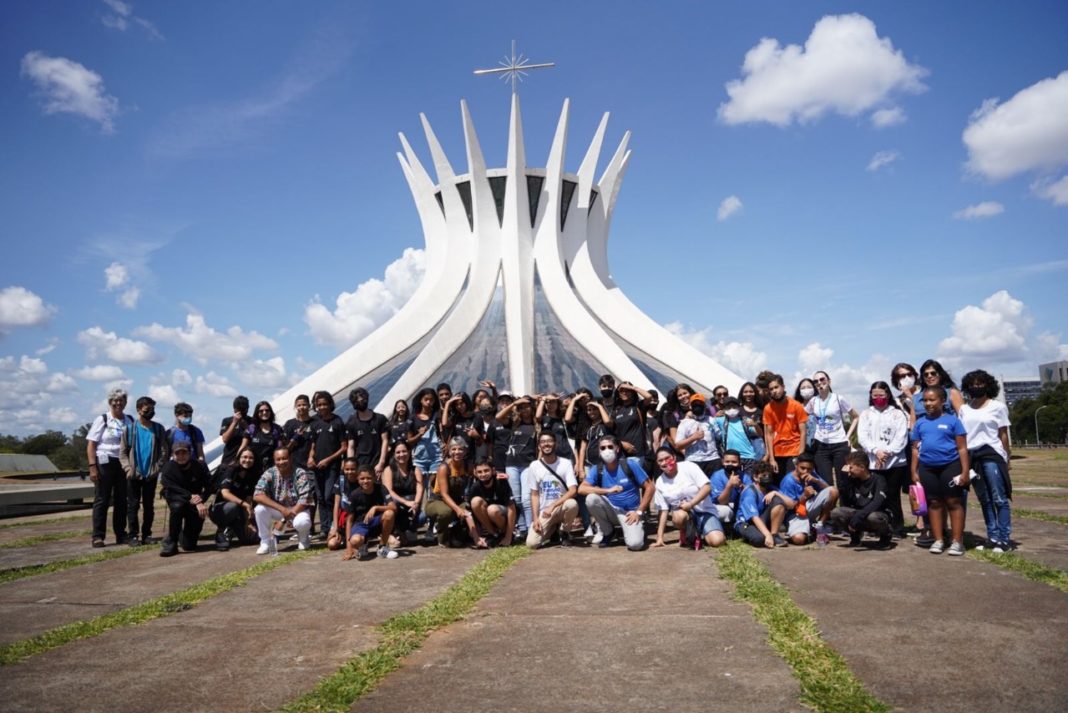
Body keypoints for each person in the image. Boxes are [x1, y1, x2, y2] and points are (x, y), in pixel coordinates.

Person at [911, 386, 970, 556]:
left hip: (950, 466)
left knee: (953, 502)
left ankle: (957, 541)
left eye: (932, 399)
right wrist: (914, 470)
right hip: (927, 468)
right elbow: (915, 449)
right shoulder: (920, 423)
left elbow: (962, 449)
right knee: (934, 503)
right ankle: (938, 540)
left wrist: (965, 471)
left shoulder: (953, 421)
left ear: (943, 401)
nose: (928, 403)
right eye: (925, 400)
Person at [959, 370, 1013, 552]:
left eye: (980, 383)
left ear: (988, 385)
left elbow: (1003, 434)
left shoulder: (997, 407)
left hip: (992, 455)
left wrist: (1007, 457)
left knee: (999, 497)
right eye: (973, 384)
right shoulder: (964, 409)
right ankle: (992, 536)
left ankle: (1004, 539)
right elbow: (962, 436)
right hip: (973, 456)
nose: (976, 387)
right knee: (985, 499)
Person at [579, 435, 653, 550]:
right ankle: (608, 532)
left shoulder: (629, 464)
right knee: (591, 498)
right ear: (599, 451)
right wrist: (607, 490)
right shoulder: (597, 469)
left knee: (635, 545)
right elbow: (581, 489)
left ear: (617, 449)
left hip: (630, 514)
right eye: (602, 448)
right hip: (611, 510)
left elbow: (650, 487)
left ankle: (634, 528)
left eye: (610, 447)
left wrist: (639, 512)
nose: (606, 450)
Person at [857, 381, 910, 537]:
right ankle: (876, 527)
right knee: (875, 497)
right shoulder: (866, 414)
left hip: (895, 463)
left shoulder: (897, 413)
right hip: (873, 462)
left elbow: (901, 438)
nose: (878, 398)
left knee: (893, 495)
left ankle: (897, 528)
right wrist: (876, 451)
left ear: (887, 395)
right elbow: (862, 437)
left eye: (881, 394)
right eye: (875, 395)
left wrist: (886, 453)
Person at [651, 447, 725, 549]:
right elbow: (663, 511)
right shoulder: (660, 482)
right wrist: (660, 538)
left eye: (667, 458)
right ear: (657, 463)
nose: (665, 462)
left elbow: (707, 487)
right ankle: (686, 530)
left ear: (674, 457)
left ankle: (701, 531)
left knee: (717, 542)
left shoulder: (689, 466)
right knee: (678, 517)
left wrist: (691, 504)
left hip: (704, 510)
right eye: (660, 460)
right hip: (684, 515)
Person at [119, 395, 169, 546]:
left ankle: (147, 534)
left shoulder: (158, 429)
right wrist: (128, 468)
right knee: (133, 505)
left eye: (153, 409)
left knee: (149, 506)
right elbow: (122, 452)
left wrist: (157, 468)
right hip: (134, 474)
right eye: (147, 409)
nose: (150, 412)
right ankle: (133, 535)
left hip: (151, 474)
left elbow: (164, 451)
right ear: (139, 410)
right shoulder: (129, 429)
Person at [87, 387, 133, 547]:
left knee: (122, 500)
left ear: (125, 403)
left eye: (121, 401)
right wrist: (92, 466)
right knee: (102, 499)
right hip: (105, 462)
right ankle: (98, 536)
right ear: (110, 403)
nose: (118, 403)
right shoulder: (103, 419)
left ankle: (121, 534)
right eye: (115, 401)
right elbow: (91, 444)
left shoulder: (129, 420)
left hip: (123, 462)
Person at [806, 371, 858, 497]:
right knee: (825, 483)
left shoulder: (838, 398)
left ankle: (845, 512)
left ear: (829, 381)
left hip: (839, 443)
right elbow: (801, 416)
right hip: (821, 445)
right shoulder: (813, 401)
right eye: (816, 381)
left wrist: (848, 436)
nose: (819, 383)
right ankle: (828, 514)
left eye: (822, 379)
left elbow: (855, 417)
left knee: (843, 481)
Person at [254, 447, 315, 553]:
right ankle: (265, 542)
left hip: (298, 509)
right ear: (274, 460)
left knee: (302, 522)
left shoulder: (300, 473)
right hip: (279, 509)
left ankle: (304, 538)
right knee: (259, 509)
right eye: (278, 459)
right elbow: (257, 495)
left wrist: (284, 520)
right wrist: (282, 510)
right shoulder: (270, 473)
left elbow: (305, 499)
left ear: (290, 458)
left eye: (284, 458)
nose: (281, 462)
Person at [525, 431, 579, 549]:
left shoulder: (565, 463)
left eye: (549, 441)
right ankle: (554, 530)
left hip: (561, 507)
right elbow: (534, 494)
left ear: (555, 444)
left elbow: (573, 490)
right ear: (539, 446)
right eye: (543, 442)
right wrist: (535, 518)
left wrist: (553, 505)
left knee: (572, 504)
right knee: (532, 544)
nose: (546, 444)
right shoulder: (534, 465)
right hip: (545, 512)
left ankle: (565, 532)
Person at [158, 441, 212, 557]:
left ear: (190, 453)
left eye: (184, 453)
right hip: (177, 498)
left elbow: (210, 486)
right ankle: (171, 543)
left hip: (195, 502)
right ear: (173, 455)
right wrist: (191, 496)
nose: (181, 456)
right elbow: (170, 486)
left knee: (189, 546)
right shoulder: (168, 467)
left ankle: (179, 534)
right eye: (178, 453)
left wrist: (201, 499)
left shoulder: (200, 465)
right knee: (178, 507)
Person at [829, 452, 893, 548]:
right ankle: (855, 537)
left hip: (876, 513)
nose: (848, 470)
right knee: (836, 513)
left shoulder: (879, 480)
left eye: (850, 467)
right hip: (859, 514)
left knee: (873, 517)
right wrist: (844, 479)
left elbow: (877, 502)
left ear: (862, 467)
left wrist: (858, 517)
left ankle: (885, 536)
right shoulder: (852, 479)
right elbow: (847, 502)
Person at [307, 390, 348, 536]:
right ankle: (324, 529)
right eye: (319, 405)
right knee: (320, 498)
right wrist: (311, 458)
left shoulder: (337, 422)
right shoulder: (315, 423)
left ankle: (333, 525)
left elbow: (344, 447)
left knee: (329, 496)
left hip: (332, 466)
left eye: (325, 404)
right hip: (317, 467)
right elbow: (313, 445)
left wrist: (328, 460)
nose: (322, 407)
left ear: (330, 404)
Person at [425, 437, 480, 546]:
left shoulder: (468, 466)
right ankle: (441, 535)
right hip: (437, 501)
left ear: (465, 451)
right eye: (454, 449)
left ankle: (467, 535)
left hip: (457, 500)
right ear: (449, 451)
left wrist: (496, 475)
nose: (457, 452)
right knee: (447, 512)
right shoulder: (444, 467)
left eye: (460, 449)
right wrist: (458, 509)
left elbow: (481, 476)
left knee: (471, 508)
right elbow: (444, 494)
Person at [341, 461, 399, 560]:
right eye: (362, 478)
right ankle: (361, 546)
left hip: (377, 522)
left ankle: (382, 548)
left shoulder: (381, 488)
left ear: (374, 478)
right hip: (361, 524)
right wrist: (348, 547)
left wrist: (376, 507)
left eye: (369, 478)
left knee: (389, 513)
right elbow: (349, 520)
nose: (365, 481)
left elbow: (393, 507)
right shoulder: (354, 495)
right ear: (357, 479)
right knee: (355, 540)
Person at [498, 395, 539, 535]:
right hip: (512, 464)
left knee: (527, 499)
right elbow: (498, 417)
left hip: (528, 464)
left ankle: (530, 528)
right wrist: (515, 403)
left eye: (527, 406)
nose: (524, 409)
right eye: (521, 407)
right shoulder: (514, 423)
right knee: (516, 499)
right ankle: (521, 528)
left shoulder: (536, 424)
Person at [776, 454, 837, 545]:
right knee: (799, 540)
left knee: (833, 491)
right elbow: (789, 506)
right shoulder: (788, 481)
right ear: (796, 465)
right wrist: (804, 496)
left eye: (809, 469)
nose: (805, 471)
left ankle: (819, 527)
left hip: (808, 508)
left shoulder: (811, 475)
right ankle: (810, 530)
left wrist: (817, 481)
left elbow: (829, 490)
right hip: (794, 514)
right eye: (802, 468)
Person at [209, 447, 259, 550]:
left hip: (239, 511)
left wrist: (248, 522)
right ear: (239, 458)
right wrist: (244, 504)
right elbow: (225, 494)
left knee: (252, 539)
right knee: (233, 506)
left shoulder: (252, 475)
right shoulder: (230, 470)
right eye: (244, 457)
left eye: (251, 458)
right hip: (220, 509)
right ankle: (221, 532)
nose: (247, 460)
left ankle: (232, 528)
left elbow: (249, 499)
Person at [763, 374, 808, 480]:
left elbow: (803, 432)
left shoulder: (796, 405)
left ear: (783, 387)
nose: (774, 391)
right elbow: (769, 434)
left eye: (776, 387)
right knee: (779, 483)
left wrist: (800, 456)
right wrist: (771, 458)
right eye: (771, 389)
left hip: (794, 451)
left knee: (792, 481)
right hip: (777, 452)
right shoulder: (768, 408)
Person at [734, 461, 787, 548]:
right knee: (759, 540)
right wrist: (767, 535)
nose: (767, 478)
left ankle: (774, 535)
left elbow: (791, 504)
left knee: (778, 500)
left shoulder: (771, 488)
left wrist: (776, 493)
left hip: (761, 519)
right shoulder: (750, 492)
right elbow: (754, 517)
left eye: (769, 476)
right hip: (746, 522)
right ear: (755, 477)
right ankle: (759, 534)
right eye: (764, 476)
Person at [381, 439, 424, 543]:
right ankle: (392, 532)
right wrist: (406, 502)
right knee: (393, 505)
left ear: (409, 452)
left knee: (424, 516)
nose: (402, 454)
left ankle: (408, 530)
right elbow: (389, 491)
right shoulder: (389, 469)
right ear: (394, 454)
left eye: (404, 451)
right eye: (398, 452)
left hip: (411, 505)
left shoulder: (416, 469)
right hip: (397, 504)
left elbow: (420, 487)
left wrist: (416, 503)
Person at [467, 459, 515, 548]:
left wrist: (509, 536)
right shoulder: (475, 487)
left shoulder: (501, 481)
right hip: (488, 518)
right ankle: (494, 535)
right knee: (475, 501)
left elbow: (512, 508)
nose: (483, 474)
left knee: (492, 509)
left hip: (502, 515)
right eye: (479, 472)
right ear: (475, 473)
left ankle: (506, 534)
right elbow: (468, 513)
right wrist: (476, 537)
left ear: (493, 470)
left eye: (486, 470)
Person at [345, 387, 390, 476]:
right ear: (354, 403)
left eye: (363, 398)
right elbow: (351, 446)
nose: (361, 400)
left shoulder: (380, 419)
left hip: (378, 462)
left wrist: (381, 463)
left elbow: (385, 441)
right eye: (357, 399)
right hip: (361, 464)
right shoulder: (351, 422)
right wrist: (352, 466)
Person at [674, 392, 722, 475]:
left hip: (713, 460)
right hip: (693, 460)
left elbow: (720, 437)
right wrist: (694, 437)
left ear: (705, 406)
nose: (697, 406)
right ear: (690, 406)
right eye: (695, 404)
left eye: (700, 404)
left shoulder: (712, 420)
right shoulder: (684, 423)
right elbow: (678, 445)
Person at [239, 400, 285, 476]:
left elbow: (280, 450)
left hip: (271, 470)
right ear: (257, 413)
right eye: (261, 411)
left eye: (267, 410)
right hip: (252, 469)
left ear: (270, 412)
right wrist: (236, 463)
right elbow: (243, 447)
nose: (264, 412)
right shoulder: (251, 428)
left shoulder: (277, 429)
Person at [714, 398, 759, 469]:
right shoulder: (719, 420)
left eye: (734, 407)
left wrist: (755, 425)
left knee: (749, 479)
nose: (732, 409)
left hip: (748, 457)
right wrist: (715, 416)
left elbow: (760, 434)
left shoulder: (746, 420)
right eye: (729, 407)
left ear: (739, 407)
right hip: (731, 458)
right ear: (724, 409)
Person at [612, 381, 651, 460]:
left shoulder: (638, 406)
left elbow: (649, 397)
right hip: (621, 454)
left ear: (633, 392)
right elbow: (612, 431)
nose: (624, 392)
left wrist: (632, 387)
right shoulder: (616, 410)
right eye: (622, 390)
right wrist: (622, 444)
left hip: (637, 453)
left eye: (627, 390)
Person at [441, 392, 484, 463]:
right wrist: (448, 403)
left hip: (470, 457)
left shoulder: (477, 417)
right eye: (456, 405)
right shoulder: (455, 417)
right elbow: (445, 423)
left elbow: (480, 442)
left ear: (467, 402)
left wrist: (476, 436)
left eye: (461, 403)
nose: (459, 406)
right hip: (455, 456)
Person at [710, 449, 751, 522]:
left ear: (739, 463)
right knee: (726, 511)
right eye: (727, 462)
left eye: (734, 462)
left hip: (737, 506)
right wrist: (730, 485)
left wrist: (740, 486)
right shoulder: (717, 476)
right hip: (719, 507)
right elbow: (721, 502)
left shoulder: (744, 476)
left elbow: (751, 495)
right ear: (723, 462)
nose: (730, 464)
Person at [410, 387, 443, 478]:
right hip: (419, 458)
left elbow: (442, 433)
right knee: (420, 484)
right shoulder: (413, 418)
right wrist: (419, 434)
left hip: (436, 457)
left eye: (431, 400)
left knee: (434, 485)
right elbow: (409, 441)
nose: (428, 402)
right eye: (426, 399)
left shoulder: (437, 415)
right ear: (420, 400)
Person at [536, 392, 574, 461]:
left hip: (565, 454)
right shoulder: (543, 419)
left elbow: (568, 418)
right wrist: (543, 399)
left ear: (557, 403)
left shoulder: (562, 418)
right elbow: (537, 416)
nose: (550, 404)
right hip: (549, 455)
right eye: (548, 402)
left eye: (553, 402)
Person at [282, 394, 315, 470]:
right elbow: (285, 449)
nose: (301, 407)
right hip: (293, 465)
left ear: (309, 406)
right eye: (299, 405)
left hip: (311, 465)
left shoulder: (315, 423)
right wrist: (295, 438)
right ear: (295, 407)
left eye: (304, 405)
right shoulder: (289, 424)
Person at [737, 381, 766, 465]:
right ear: (742, 394)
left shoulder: (762, 411)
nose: (748, 394)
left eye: (751, 391)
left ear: (755, 393)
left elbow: (765, 433)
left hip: (759, 448)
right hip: (742, 446)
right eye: (745, 392)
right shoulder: (738, 410)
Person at [218, 395, 251, 468]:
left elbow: (255, 436)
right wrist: (234, 423)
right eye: (239, 409)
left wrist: (245, 425)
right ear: (235, 409)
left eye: (244, 409)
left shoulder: (252, 421)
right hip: (228, 459)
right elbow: (225, 439)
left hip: (247, 460)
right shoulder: (227, 421)